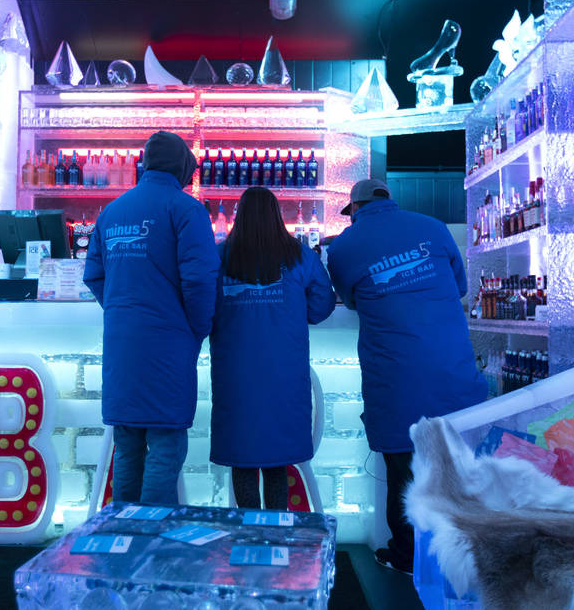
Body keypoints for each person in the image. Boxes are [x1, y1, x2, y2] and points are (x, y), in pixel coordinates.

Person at [326, 179, 487, 573]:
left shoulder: (344, 246)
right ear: (388, 200)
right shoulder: (433, 227)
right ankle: (464, 558)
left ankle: (407, 557)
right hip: (453, 372)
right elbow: (461, 286)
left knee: (402, 475)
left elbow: (349, 301)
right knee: (457, 469)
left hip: (396, 379)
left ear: (355, 208)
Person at [83, 131, 219, 507]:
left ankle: (124, 536)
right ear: (182, 166)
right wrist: (196, 327)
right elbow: (200, 279)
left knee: (126, 446)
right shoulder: (186, 210)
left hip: (122, 346)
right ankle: (152, 540)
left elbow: (93, 275)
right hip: (168, 347)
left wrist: (121, 309)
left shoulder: (112, 211)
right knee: (165, 444)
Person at [209, 187, 336, 509]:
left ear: (239, 216)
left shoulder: (219, 256)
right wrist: (292, 311)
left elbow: (201, 307)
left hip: (235, 372)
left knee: (243, 457)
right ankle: (277, 534)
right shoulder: (299, 255)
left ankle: (250, 534)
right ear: (277, 215)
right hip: (284, 370)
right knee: (278, 459)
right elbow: (322, 304)